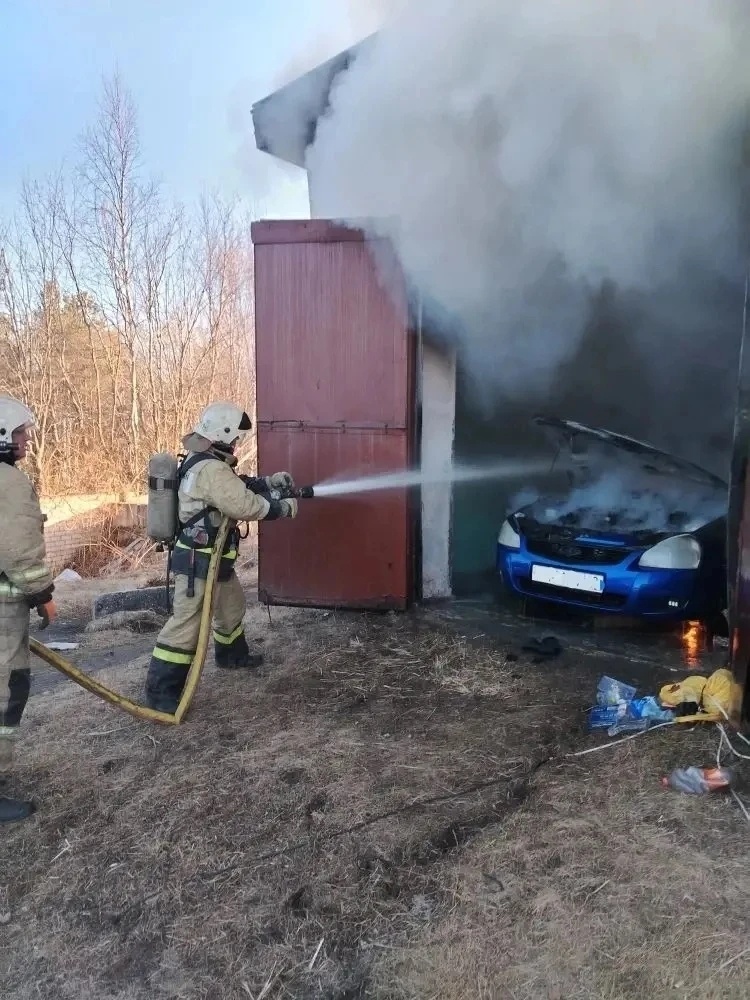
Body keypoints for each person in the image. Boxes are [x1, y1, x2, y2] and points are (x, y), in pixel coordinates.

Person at [145, 402, 298, 713]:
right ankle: (161, 693)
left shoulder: (208, 462)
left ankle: (232, 655)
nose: (238, 443)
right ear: (223, 432)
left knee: (230, 609)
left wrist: (268, 483)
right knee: (186, 624)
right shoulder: (211, 469)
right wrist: (280, 508)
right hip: (199, 562)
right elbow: (242, 505)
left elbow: (235, 486)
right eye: (237, 437)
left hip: (216, 559)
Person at [0, 395, 56, 823]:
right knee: (6, 691)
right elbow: (20, 552)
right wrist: (42, 594)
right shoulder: (9, 482)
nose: (26, 442)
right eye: (20, 433)